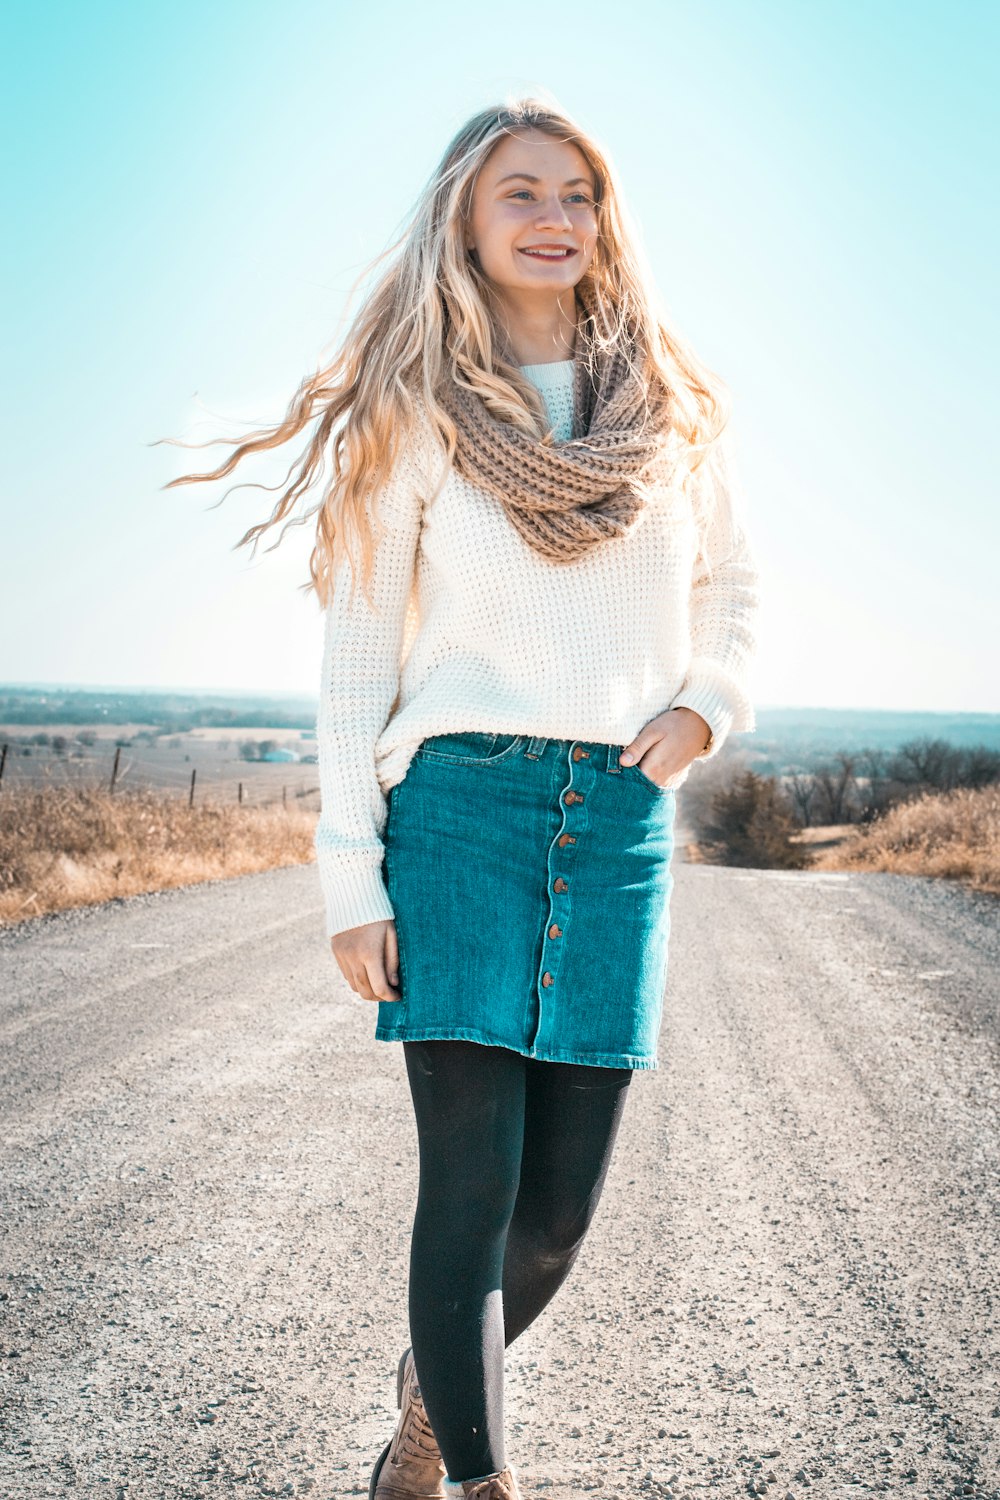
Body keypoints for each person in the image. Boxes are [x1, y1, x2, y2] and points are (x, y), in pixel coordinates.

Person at [167, 95, 760, 1500]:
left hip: (618, 823)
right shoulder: (418, 413)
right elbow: (358, 654)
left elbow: (734, 591)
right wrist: (346, 879)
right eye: (522, 195)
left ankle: (429, 1413)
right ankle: (479, 1481)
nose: (557, 218)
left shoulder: (670, 407)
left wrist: (705, 707)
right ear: (465, 222)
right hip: (459, 812)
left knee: (556, 1216)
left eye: (579, 193)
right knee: (472, 1189)